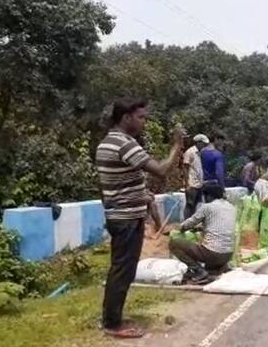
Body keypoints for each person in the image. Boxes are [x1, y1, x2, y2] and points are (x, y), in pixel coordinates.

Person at [96, 98, 182, 338]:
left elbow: (108, 184)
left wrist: (135, 195)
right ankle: (112, 323)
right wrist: (177, 145)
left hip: (119, 215)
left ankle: (111, 317)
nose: (144, 122)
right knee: (123, 269)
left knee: (121, 268)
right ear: (126, 117)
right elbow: (162, 169)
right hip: (126, 218)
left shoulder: (107, 142)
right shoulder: (124, 144)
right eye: (141, 117)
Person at [169, 184, 236, 284]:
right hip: (228, 254)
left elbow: (189, 223)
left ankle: (198, 271)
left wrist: (179, 228)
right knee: (211, 268)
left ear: (209, 196)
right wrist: (199, 228)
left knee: (174, 244)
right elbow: (217, 225)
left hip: (213, 254)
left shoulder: (207, 207)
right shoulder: (231, 207)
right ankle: (218, 268)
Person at [183, 134, 207, 218]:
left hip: (199, 183)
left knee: (197, 204)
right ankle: (186, 223)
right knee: (190, 204)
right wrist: (187, 184)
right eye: (203, 143)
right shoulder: (190, 152)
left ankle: (192, 224)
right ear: (198, 142)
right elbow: (185, 168)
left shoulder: (200, 153)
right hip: (192, 183)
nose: (204, 145)